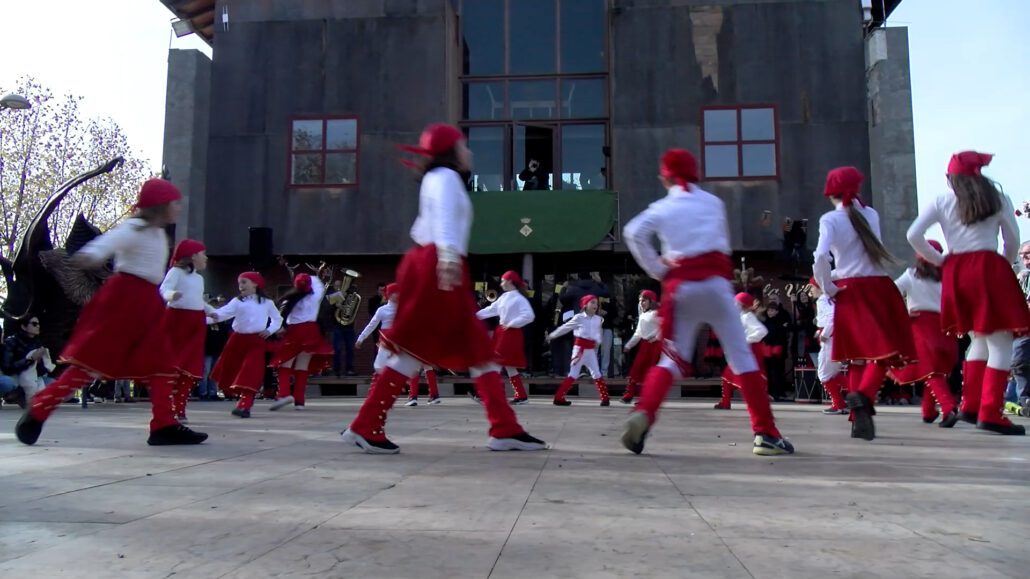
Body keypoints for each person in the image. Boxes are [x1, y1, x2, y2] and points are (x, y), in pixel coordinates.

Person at [342, 124, 546, 454]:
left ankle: (505, 427)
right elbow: (446, 221)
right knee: (418, 350)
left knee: (477, 349)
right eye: (465, 146)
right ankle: (366, 425)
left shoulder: (436, 179)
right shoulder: (446, 178)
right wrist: (449, 258)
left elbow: (426, 223)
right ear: (451, 151)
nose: (471, 152)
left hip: (434, 261)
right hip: (439, 263)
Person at [621, 148, 793, 456]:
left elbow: (632, 233)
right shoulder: (714, 203)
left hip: (681, 288)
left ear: (664, 177)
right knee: (742, 357)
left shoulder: (662, 207)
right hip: (715, 285)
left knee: (671, 359)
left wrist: (661, 269)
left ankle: (645, 410)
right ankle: (765, 433)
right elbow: (720, 247)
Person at [15, 179, 208, 446]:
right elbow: (109, 241)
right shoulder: (134, 227)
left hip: (148, 304)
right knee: (93, 361)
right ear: (160, 205)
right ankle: (39, 409)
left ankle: (164, 424)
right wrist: (91, 254)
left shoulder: (157, 234)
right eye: (174, 202)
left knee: (162, 363)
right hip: (125, 301)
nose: (178, 207)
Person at [907, 151, 1028, 435]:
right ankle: (990, 412)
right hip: (988, 266)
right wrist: (1004, 264)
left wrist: (941, 261)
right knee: (1001, 343)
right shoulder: (997, 199)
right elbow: (1013, 241)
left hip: (957, 271)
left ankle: (971, 405)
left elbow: (913, 235)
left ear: (951, 178)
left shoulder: (942, 200)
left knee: (979, 339)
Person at [813, 166, 916, 441]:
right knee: (885, 351)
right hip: (879, 286)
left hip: (850, 289)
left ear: (829, 192)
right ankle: (861, 402)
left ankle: (859, 407)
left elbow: (820, 258)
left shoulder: (830, 220)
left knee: (859, 355)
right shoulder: (870, 214)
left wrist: (828, 288)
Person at [889, 240, 960, 425]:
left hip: (922, 325)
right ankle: (928, 411)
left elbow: (892, 291)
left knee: (930, 370)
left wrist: (903, 314)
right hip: (945, 327)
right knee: (936, 370)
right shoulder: (948, 277)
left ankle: (948, 407)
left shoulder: (912, 275)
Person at [208, 272, 283, 418]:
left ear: (255, 283)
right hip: (237, 340)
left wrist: (270, 330)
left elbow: (277, 319)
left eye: (244, 282)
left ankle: (245, 404)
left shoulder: (267, 303)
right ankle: (239, 399)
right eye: (239, 283)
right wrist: (205, 318)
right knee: (232, 370)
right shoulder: (237, 301)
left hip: (256, 341)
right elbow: (222, 314)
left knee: (251, 371)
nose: (240, 286)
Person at [155, 239, 213, 424]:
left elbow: (196, 300)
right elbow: (164, 289)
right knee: (174, 365)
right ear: (192, 256)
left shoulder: (199, 278)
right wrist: (172, 295)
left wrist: (211, 311)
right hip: (177, 321)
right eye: (202, 254)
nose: (205, 258)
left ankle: (180, 407)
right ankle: (170, 407)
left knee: (192, 368)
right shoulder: (176, 272)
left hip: (196, 323)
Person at [268, 271, 333, 411]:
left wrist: (280, 327)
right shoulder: (316, 296)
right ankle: (300, 401)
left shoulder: (290, 298)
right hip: (311, 331)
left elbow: (281, 314)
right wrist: (316, 274)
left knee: (284, 363)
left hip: (294, 331)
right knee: (302, 366)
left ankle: (284, 394)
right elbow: (318, 283)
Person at [476, 270, 535, 405]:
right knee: (508, 366)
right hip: (502, 332)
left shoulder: (519, 298)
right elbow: (491, 310)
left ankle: (492, 395)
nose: (501, 283)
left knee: (496, 362)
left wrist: (512, 323)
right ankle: (521, 395)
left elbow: (529, 316)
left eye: (503, 280)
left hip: (510, 333)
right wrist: (475, 316)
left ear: (509, 281)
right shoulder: (504, 297)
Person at [548, 295, 610, 406]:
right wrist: (552, 335)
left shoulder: (598, 319)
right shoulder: (579, 317)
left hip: (590, 350)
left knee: (597, 373)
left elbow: (598, 333)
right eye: (592, 302)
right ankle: (558, 398)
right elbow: (565, 327)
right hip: (579, 350)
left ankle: (605, 399)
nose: (595, 305)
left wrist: (598, 341)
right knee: (573, 374)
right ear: (585, 305)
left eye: (596, 303)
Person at [714, 293, 768, 410]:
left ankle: (755, 403)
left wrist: (746, 340)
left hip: (747, 353)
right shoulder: (738, 317)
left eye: (736, 303)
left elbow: (762, 331)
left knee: (744, 379)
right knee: (727, 377)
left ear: (742, 305)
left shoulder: (748, 316)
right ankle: (725, 402)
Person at [809, 278, 848, 415]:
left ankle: (839, 404)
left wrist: (825, 333)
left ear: (819, 287)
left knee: (824, 375)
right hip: (834, 339)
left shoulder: (822, 300)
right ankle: (858, 394)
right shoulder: (830, 299)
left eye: (812, 287)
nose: (811, 291)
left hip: (830, 340)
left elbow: (832, 317)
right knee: (833, 374)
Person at [1, 316, 56, 408]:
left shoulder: (37, 343)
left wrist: (40, 363)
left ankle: (24, 397)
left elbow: (40, 372)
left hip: (32, 379)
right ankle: (13, 395)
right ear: (23, 326)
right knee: (7, 383)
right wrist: (30, 359)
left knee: (55, 386)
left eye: (38, 324)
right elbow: (7, 368)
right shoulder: (11, 342)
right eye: (34, 324)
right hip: (15, 378)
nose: (37, 326)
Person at [622, 290, 661, 404]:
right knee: (636, 369)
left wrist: (657, 337)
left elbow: (665, 327)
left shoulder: (656, 313)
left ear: (651, 301)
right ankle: (629, 394)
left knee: (649, 372)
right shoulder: (643, 314)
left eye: (644, 300)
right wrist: (629, 345)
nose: (641, 303)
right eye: (640, 301)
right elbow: (638, 333)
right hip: (644, 345)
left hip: (654, 346)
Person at [356, 282, 399, 377]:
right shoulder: (382, 310)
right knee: (380, 367)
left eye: (398, 293)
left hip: (398, 340)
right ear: (388, 295)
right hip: (385, 339)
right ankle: (378, 389)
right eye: (393, 293)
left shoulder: (402, 309)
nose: (396, 295)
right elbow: (371, 325)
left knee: (398, 368)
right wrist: (361, 338)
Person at [761, 298, 791, 401]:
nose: (770, 312)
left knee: (777, 372)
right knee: (768, 372)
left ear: (777, 311)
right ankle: (769, 392)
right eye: (769, 310)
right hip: (767, 350)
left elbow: (781, 336)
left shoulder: (780, 322)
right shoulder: (765, 322)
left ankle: (777, 392)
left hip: (777, 350)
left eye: (772, 310)